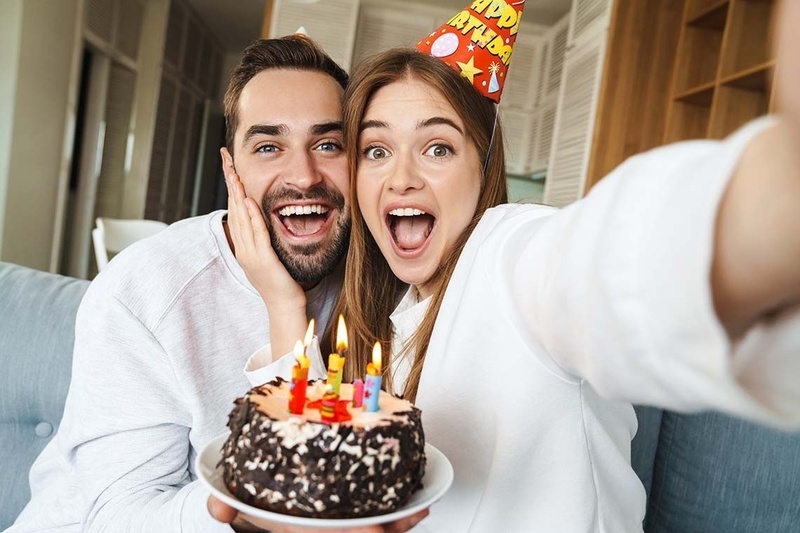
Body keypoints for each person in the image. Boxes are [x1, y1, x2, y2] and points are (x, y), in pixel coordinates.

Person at [234, 1, 800, 531]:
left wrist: (772, 200)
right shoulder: (390, 315)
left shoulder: (509, 254)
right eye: (376, 151)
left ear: (483, 168)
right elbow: (312, 453)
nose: (400, 177)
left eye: (438, 148)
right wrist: (283, 301)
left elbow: (605, 265)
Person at [9, 35, 362, 533]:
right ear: (231, 167)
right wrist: (254, 500)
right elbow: (117, 516)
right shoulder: (146, 288)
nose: (303, 176)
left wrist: (285, 305)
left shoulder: (371, 280)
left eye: (328, 145)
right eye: (268, 146)